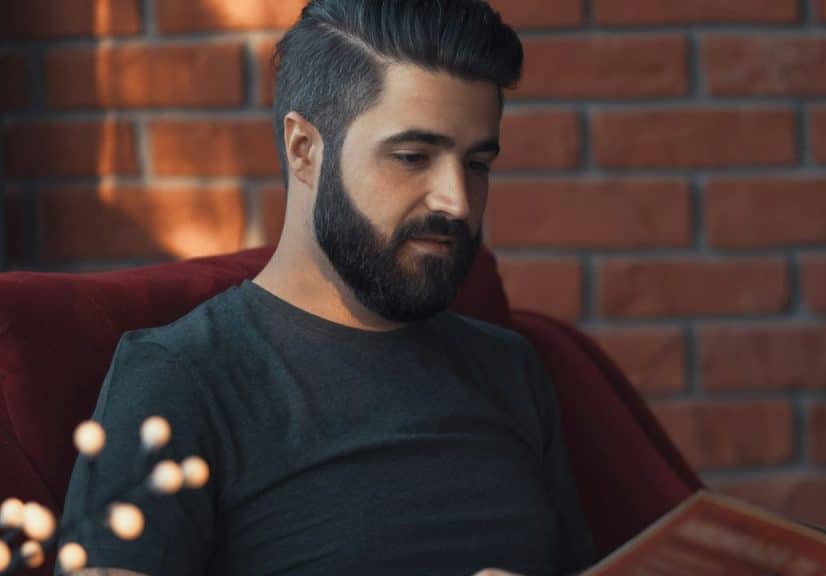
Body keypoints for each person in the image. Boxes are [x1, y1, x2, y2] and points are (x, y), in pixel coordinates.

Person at [59, 1, 596, 574]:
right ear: (304, 149)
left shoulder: (509, 368)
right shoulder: (179, 379)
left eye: (477, 164)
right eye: (413, 157)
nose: (457, 202)